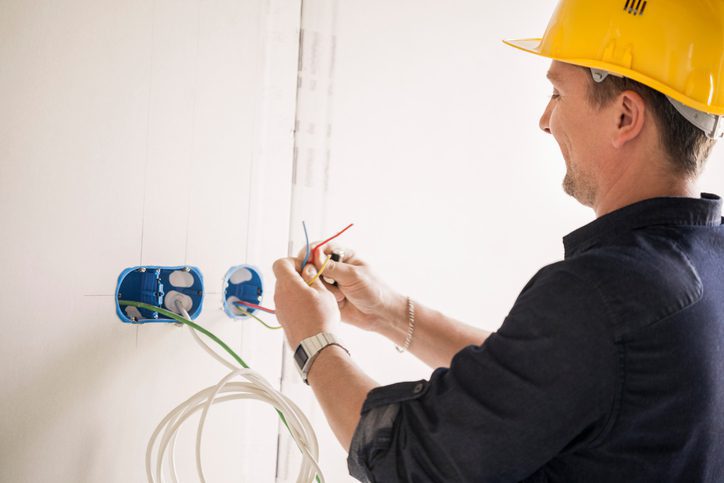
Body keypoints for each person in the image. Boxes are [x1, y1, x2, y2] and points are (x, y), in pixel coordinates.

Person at [273, 0, 724, 480]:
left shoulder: (605, 293)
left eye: (557, 93)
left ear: (624, 116)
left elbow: (408, 458)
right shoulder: (700, 267)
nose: (545, 119)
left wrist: (313, 340)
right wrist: (390, 312)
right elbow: (551, 380)